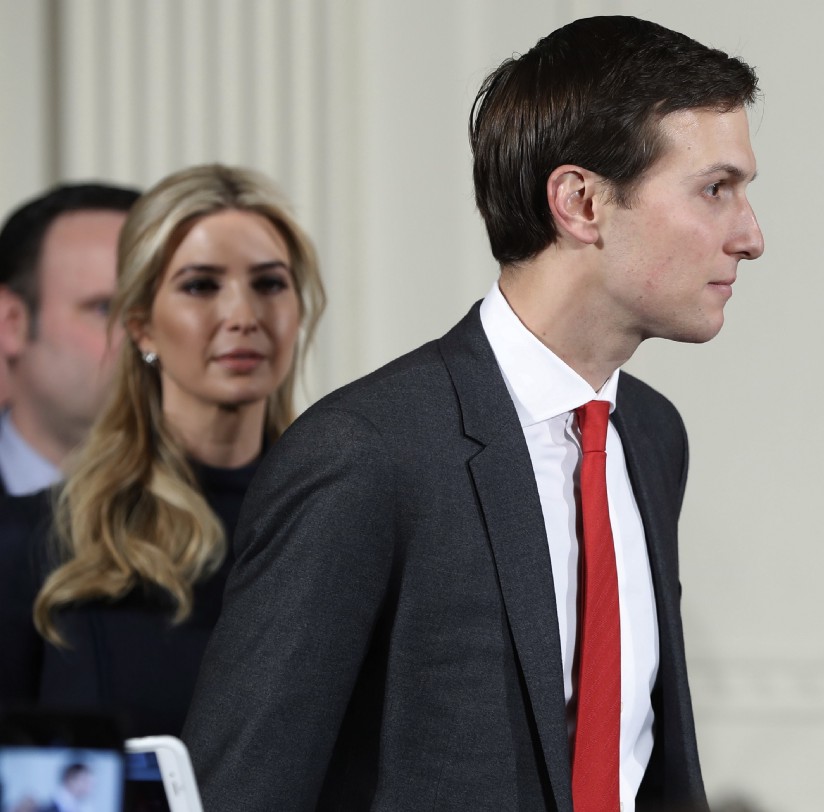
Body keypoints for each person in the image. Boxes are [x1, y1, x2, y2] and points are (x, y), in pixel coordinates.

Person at [184, 15, 763, 812]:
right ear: (581, 202)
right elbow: (242, 790)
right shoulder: (364, 453)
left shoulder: (653, 435)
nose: (750, 237)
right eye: (715, 189)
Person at [0, 164, 326, 737]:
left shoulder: (342, 520)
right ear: (141, 326)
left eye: (269, 284)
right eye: (201, 286)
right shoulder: (38, 540)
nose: (243, 317)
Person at [0, 183, 140, 497]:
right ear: (12, 323)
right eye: (105, 308)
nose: (146, 337)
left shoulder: (236, 506)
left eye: (157, 310)